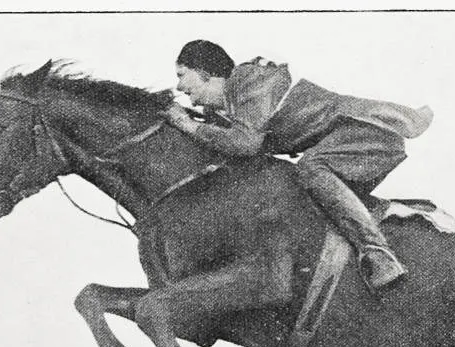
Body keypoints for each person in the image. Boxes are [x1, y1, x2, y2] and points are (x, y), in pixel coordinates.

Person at [164, 39, 433, 293]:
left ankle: (379, 254)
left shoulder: (247, 79)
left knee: (311, 167)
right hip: (347, 147)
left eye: (181, 75)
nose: (178, 87)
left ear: (204, 74)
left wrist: (188, 125)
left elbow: (245, 144)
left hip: (369, 135)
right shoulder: (231, 106)